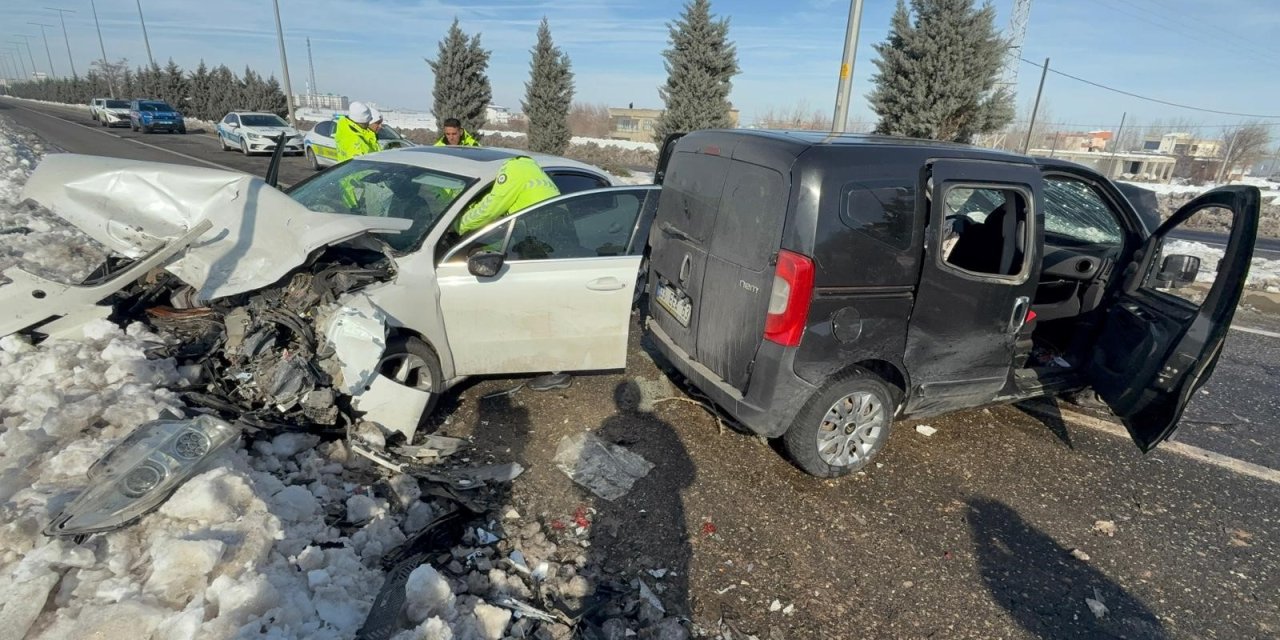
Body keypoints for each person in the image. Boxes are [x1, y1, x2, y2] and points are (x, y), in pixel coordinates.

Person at [453, 155, 559, 235]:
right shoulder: (533, 171)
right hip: (554, 236)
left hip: (533, 233)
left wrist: (456, 226)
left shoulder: (512, 169)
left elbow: (490, 209)